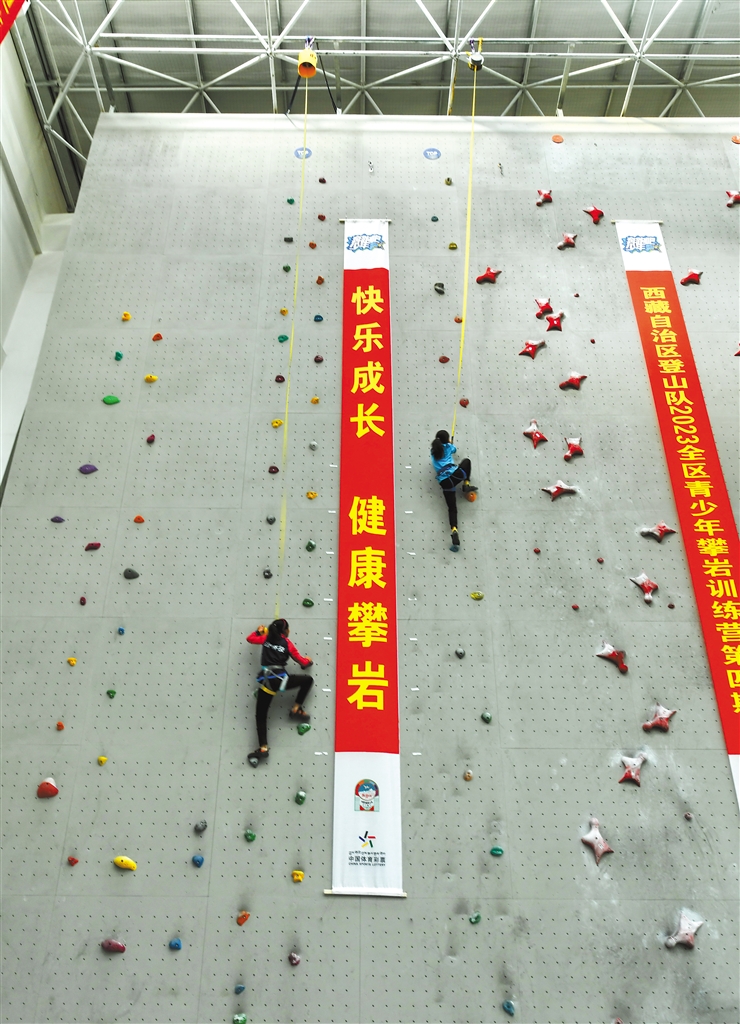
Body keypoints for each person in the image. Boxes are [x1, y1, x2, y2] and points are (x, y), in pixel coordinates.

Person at [246, 618, 313, 766]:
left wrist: (258, 631)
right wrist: (308, 661)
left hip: (267, 682)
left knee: (261, 716)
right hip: (281, 680)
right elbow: (301, 661)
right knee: (308, 680)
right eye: (288, 628)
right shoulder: (287, 643)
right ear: (285, 630)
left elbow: (250, 639)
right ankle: (296, 708)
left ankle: (263, 748)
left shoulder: (265, 639)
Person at [430, 429, 477, 550]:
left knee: (452, 508)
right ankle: (466, 484)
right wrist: (450, 443)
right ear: (446, 440)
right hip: (455, 476)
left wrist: (447, 443)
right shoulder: (448, 447)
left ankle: (454, 530)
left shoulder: (433, 451)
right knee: (466, 462)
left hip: (445, 483)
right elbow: (455, 450)